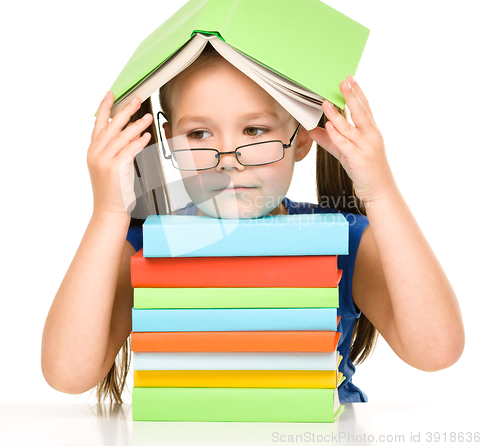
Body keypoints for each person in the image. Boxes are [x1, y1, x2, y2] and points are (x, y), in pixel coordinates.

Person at [41, 44, 464, 405]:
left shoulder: (341, 240)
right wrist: (108, 214)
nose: (228, 157)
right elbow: (67, 375)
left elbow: (436, 350)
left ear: (300, 139)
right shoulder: (146, 244)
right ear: (168, 142)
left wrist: (381, 192)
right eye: (200, 134)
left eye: (254, 130)